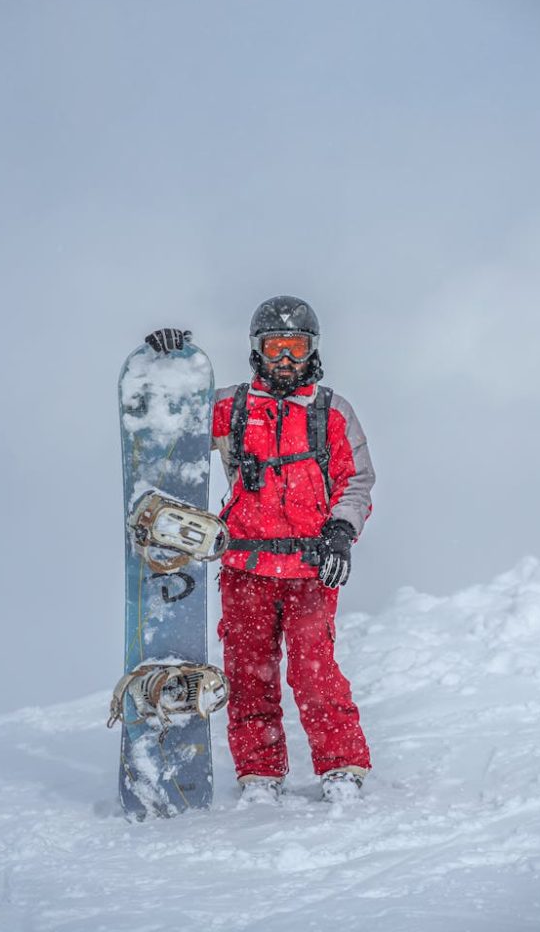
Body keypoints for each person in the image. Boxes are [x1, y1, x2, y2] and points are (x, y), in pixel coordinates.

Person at [147, 296, 375, 804]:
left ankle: (340, 766)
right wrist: (171, 366)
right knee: (249, 675)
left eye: (296, 347)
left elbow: (355, 480)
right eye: (276, 348)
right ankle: (260, 775)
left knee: (315, 675)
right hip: (245, 567)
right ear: (258, 351)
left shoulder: (331, 412)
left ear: (313, 350)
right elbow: (175, 426)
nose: (286, 360)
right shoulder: (234, 408)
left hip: (309, 567)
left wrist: (341, 531)